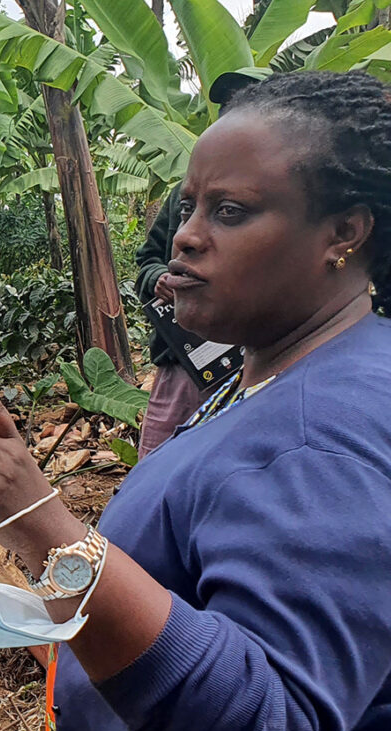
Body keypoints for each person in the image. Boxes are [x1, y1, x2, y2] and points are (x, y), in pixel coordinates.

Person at [0, 71, 391, 731]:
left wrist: (44, 525)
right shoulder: (275, 370)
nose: (187, 237)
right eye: (189, 206)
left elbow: (263, 722)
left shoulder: (326, 427)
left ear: (344, 234)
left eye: (230, 211)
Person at [135, 70, 261, 456]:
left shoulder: (285, 195)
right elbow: (148, 259)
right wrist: (158, 278)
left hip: (255, 357)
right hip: (187, 357)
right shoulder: (184, 192)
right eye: (226, 108)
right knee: (156, 464)